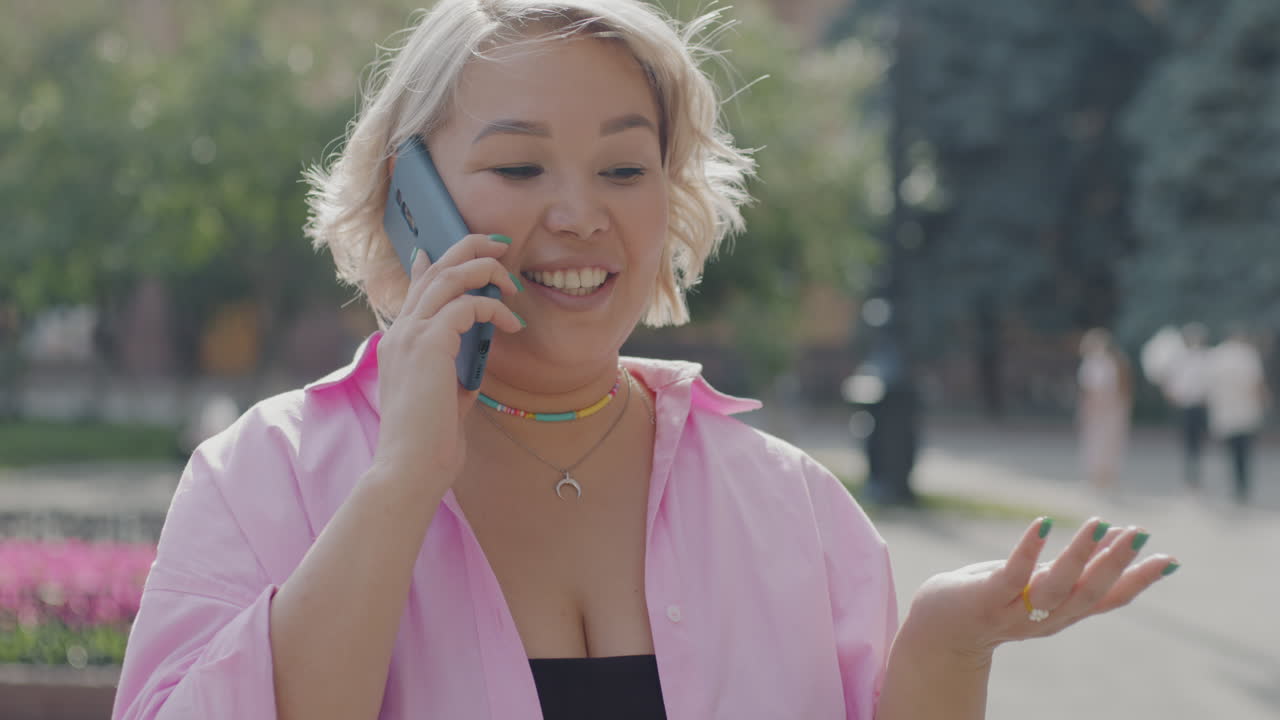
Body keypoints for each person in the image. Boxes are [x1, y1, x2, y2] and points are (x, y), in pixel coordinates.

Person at [111, 2, 1177, 719]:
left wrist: (948, 641)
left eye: (625, 166)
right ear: (409, 197)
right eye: (519, 164)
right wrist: (398, 485)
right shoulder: (267, 475)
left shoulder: (790, 505)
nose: (578, 214)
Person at [1206, 327, 1270, 503]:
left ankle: (1236, 485)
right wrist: (1264, 403)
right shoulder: (1248, 354)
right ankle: (1242, 486)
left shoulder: (1217, 355)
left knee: (1231, 451)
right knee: (1244, 451)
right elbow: (1257, 382)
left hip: (1225, 412)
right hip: (1245, 411)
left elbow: (1210, 386)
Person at [1076, 328, 1134, 492]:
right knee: (1098, 443)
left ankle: (1104, 476)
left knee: (1104, 443)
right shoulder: (1098, 363)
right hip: (1104, 409)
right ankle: (1098, 476)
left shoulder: (1110, 363)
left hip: (1107, 409)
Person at [1162, 322, 1211, 489]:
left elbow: (1207, 381)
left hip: (1198, 404)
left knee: (1196, 441)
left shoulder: (1204, 356)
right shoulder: (1179, 357)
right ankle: (1190, 475)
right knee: (1188, 441)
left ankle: (1194, 474)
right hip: (1184, 404)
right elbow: (1171, 380)